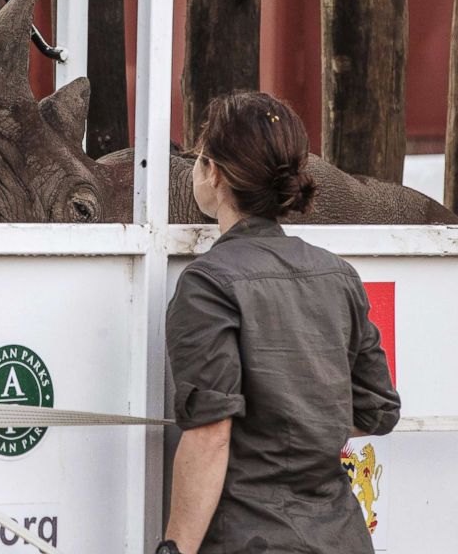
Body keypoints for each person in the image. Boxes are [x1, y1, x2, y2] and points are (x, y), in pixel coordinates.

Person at [156, 91, 400, 554]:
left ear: (214, 173)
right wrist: (302, 426)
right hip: (343, 538)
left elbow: (210, 435)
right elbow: (377, 410)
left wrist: (174, 550)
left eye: (199, 157)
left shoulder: (207, 283)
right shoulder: (338, 274)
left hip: (249, 538)